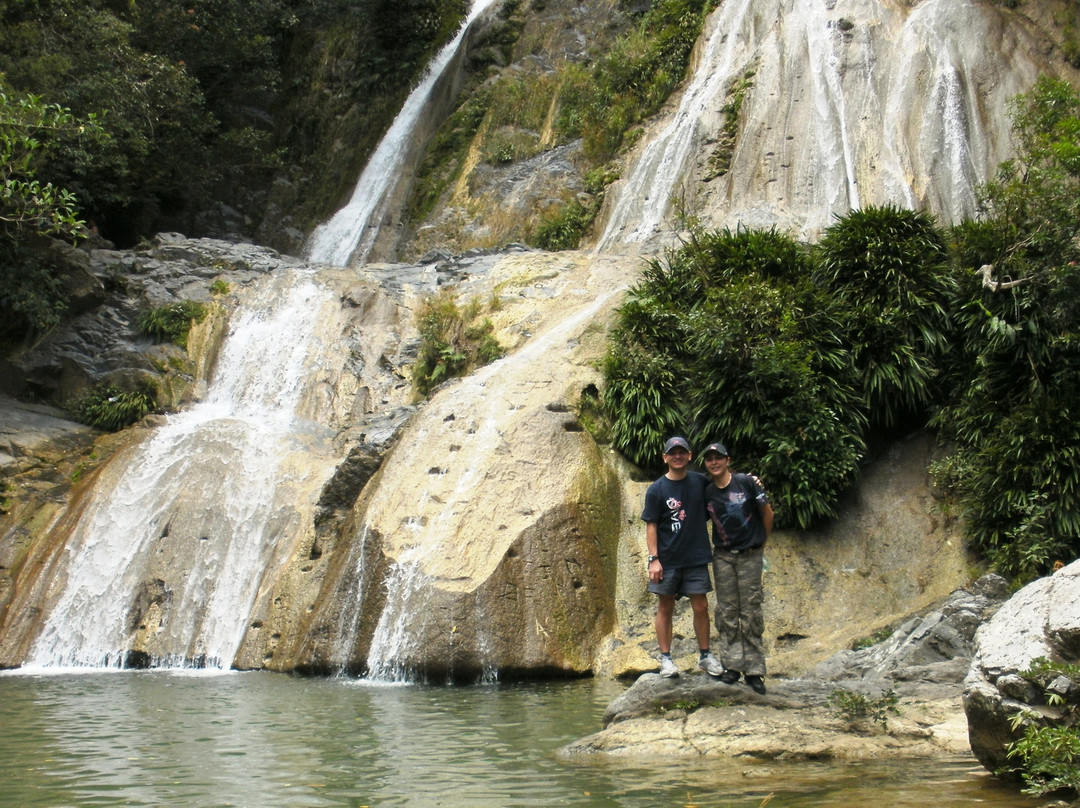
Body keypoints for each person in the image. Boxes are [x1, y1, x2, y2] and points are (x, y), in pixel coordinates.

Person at [641, 436, 724, 678]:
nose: (677, 456)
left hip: (696, 556)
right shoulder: (657, 489)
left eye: (682, 452)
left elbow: (722, 488)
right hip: (667, 560)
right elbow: (651, 525)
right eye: (672, 453)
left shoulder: (699, 482)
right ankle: (665, 658)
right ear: (665, 457)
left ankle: (706, 655)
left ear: (689, 455)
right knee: (665, 606)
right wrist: (653, 559)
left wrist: (750, 481)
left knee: (701, 605)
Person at [702, 442, 773, 694]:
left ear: (727, 460)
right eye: (709, 459)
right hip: (723, 557)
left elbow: (767, 514)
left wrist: (761, 543)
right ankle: (732, 666)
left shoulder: (745, 482)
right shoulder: (707, 490)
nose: (714, 462)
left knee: (751, 611)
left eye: (718, 458)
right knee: (727, 612)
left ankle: (754, 670)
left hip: (750, 555)